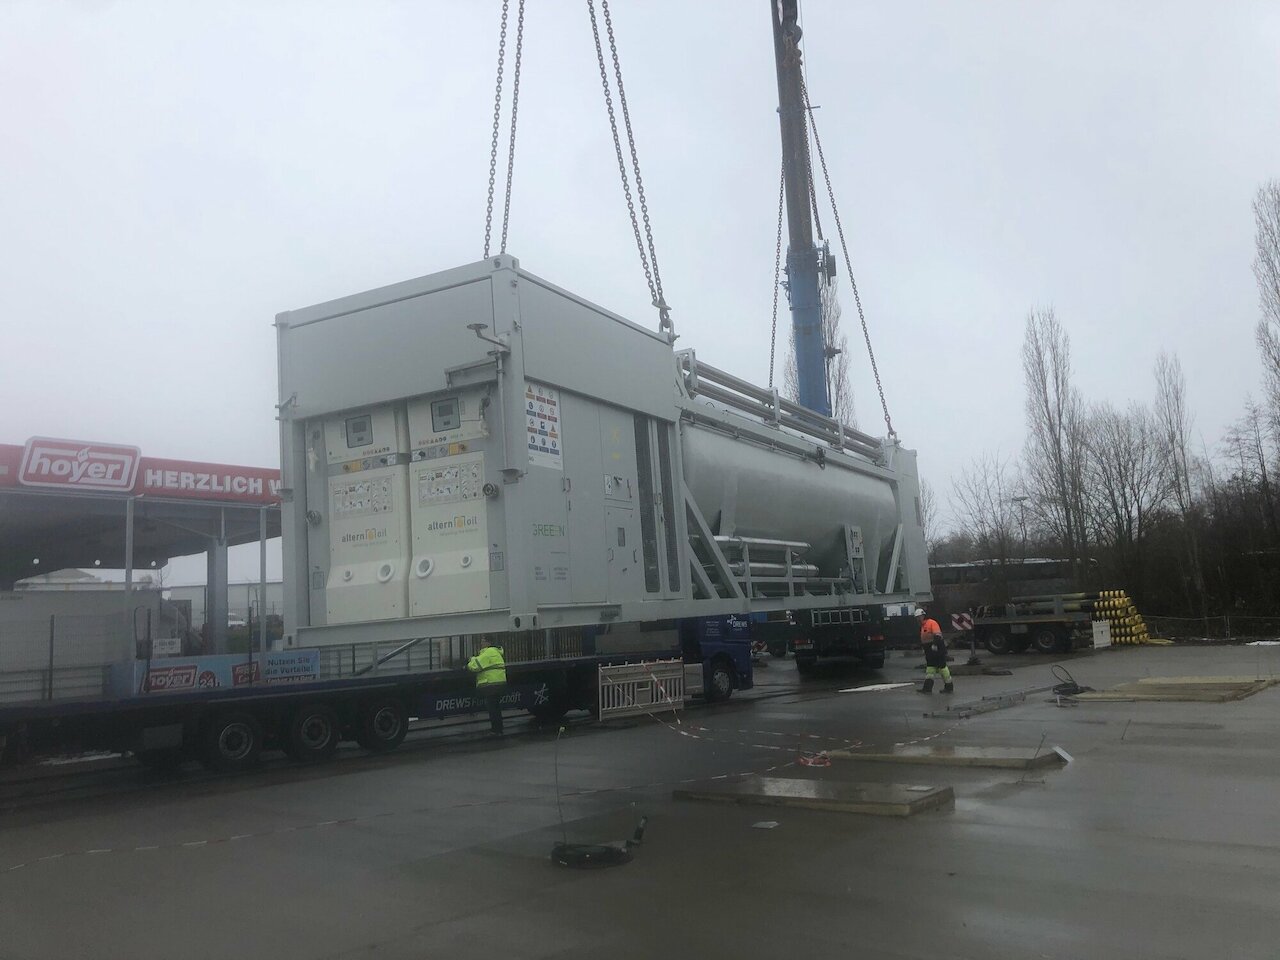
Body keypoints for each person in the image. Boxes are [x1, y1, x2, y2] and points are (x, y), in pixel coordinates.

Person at [467, 636, 508, 734]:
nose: (481, 643)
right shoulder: (495, 652)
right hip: (499, 684)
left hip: (491, 685)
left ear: (488, 642)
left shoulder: (489, 652)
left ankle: (496, 730)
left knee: (492, 709)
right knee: (496, 708)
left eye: (483, 641)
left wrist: (470, 660)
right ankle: (499, 729)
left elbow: (474, 666)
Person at [915, 607, 953, 694]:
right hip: (930, 650)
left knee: (942, 668)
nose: (918, 619)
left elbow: (937, 635)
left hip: (937, 648)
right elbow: (925, 639)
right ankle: (927, 688)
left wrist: (935, 645)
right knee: (930, 669)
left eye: (919, 617)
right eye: (917, 617)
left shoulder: (932, 623)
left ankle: (949, 687)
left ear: (923, 616)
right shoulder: (923, 626)